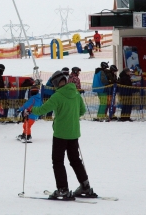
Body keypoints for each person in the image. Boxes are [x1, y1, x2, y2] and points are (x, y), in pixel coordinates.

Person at [28, 71, 97, 200]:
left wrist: (31, 110)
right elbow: (82, 110)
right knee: (75, 160)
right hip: (74, 132)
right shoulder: (76, 93)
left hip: (60, 133)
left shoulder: (57, 96)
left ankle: (63, 189)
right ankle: (85, 186)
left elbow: (43, 110)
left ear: (55, 83)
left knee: (58, 161)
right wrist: (71, 116)